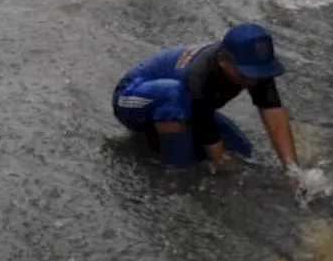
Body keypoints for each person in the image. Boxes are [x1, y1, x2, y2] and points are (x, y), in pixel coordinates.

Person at [112, 23, 301, 188]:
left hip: (189, 107)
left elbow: (273, 112)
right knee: (174, 97)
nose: (252, 82)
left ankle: (170, 138)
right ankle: (175, 175)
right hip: (132, 99)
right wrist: (219, 161)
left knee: (243, 152)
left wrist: (292, 170)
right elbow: (205, 125)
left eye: (257, 75)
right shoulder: (201, 74)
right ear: (223, 61)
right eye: (245, 75)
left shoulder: (256, 70)